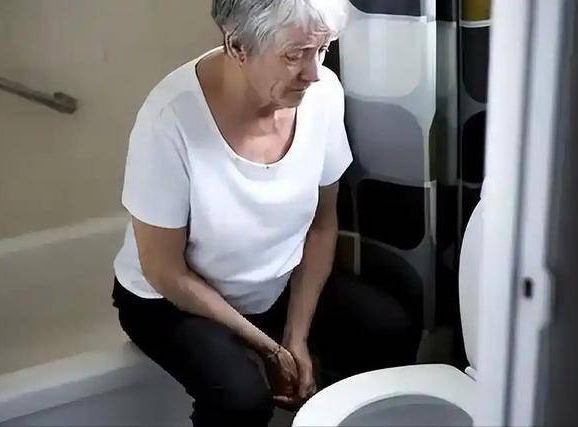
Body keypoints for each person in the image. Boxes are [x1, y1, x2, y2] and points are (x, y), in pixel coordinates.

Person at [111, 1, 414, 425]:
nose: (314, 72)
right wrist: (268, 348)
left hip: (273, 283)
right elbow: (164, 270)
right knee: (242, 399)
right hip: (171, 300)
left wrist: (296, 335)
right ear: (238, 46)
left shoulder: (323, 93)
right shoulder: (169, 119)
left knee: (388, 328)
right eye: (295, 55)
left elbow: (322, 225)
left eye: (322, 50)